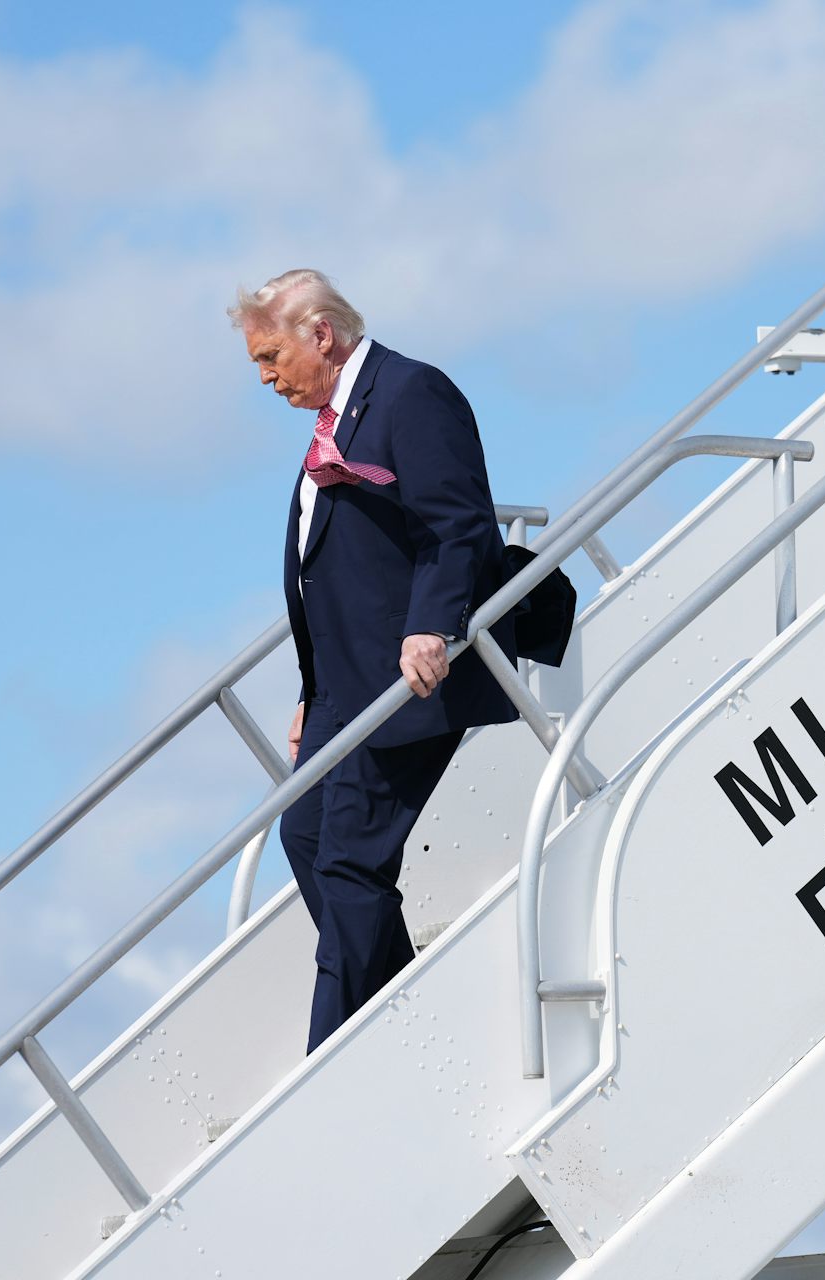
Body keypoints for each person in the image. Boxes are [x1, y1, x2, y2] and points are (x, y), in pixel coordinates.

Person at [229, 269, 518, 1054]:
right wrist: (308, 689)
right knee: (307, 840)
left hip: (401, 680)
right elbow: (332, 575)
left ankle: (344, 1048)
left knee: (352, 863)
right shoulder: (336, 418)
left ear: (319, 335)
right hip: (336, 690)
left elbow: (456, 525)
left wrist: (432, 625)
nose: (264, 377)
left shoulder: (409, 393)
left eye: (269, 356)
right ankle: (407, 1007)